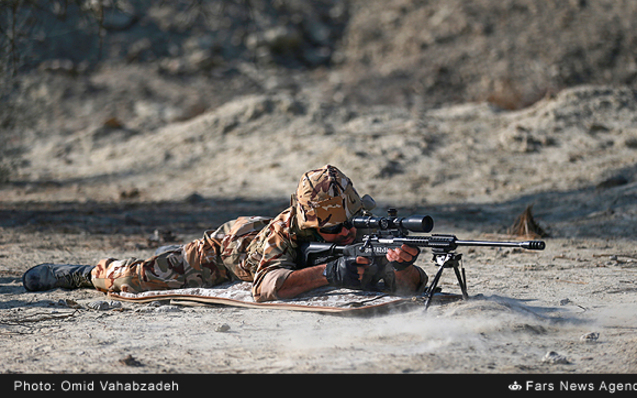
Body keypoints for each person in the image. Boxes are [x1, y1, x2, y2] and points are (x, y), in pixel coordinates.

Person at [22, 165, 428, 302]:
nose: (345, 233)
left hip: (249, 244)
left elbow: (412, 285)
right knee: (133, 278)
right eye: (333, 229)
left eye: (350, 224)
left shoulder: (354, 229)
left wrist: (402, 264)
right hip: (222, 254)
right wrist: (331, 273)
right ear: (310, 224)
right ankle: (77, 274)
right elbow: (266, 288)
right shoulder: (282, 232)